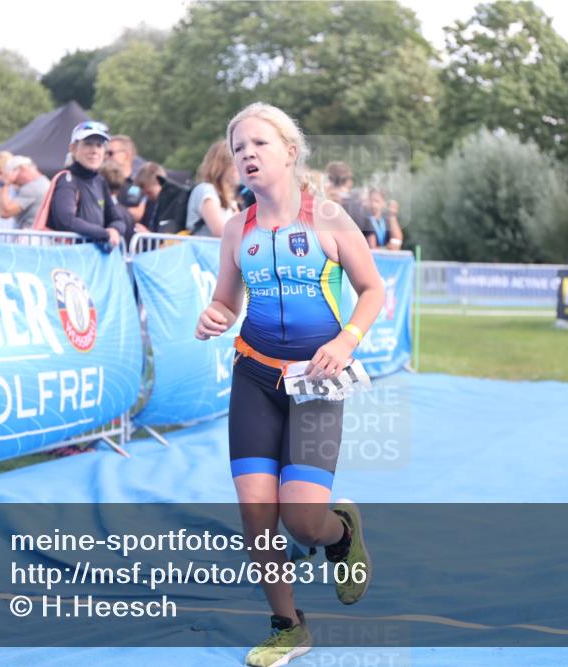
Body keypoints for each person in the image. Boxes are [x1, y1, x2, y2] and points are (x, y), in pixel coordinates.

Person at [195, 102, 384, 667]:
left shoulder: (327, 216)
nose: (247, 155)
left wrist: (347, 338)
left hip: (318, 381)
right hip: (254, 376)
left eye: (259, 144)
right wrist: (215, 315)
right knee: (257, 511)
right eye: (238, 148)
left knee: (302, 520)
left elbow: (373, 289)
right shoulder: (237, 228)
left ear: (289, 152)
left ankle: (340, 531)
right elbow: (226, 301)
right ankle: (287, 625)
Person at [45, 121, 125, 248]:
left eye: (99, 145)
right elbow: (66, 221)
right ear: (73, 149)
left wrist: (114, 230)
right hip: (68, 258)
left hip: (92, 259)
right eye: (88, 144)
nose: (94, 150)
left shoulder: (100, 181)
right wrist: (104, 234)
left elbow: (118, 220)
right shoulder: (67, 180)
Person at [186, 139, 240, 236]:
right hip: (204, 250)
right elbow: (222, 232)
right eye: (238, 163)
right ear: (224, 165)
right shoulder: (206, 190)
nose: (242, 168)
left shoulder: (230, 197)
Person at [0, 156, 50, 230]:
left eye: (10, 174)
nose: (14, 181)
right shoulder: (44, 181)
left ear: (22, 168)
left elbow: (5, 212)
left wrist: (5, 184)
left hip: (29, 236)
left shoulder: (32, 187)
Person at [106, 134, 145, 222]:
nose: (106, 157)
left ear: (127, 155)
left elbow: (138, 214)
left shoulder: (141, 182)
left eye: (110, 153)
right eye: (106, 153)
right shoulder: (100, 180)